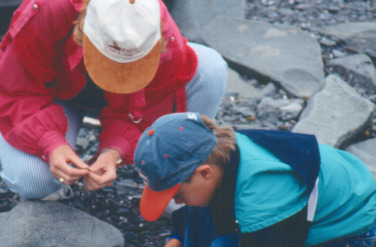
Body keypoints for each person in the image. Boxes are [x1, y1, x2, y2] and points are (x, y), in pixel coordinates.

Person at [135, 112, 376, 247]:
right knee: (205, 213)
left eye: (176, 195)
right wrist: (175, 242)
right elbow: (199, 211)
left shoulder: (266, 191)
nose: (177, 203)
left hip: (350, 232)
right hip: (318, 207)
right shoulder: (220, 153)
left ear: (204, 173)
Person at [0, 0, 227, 200]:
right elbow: (17, 90)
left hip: (129, 102)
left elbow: (148, 104)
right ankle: (57, 181)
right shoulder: (49, 8)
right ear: (83, 35)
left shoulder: (159, 28)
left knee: (210, 66)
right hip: (55, 97)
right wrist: (51, 143)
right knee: (33, 181)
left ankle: (172, 176)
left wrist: (113, 152)